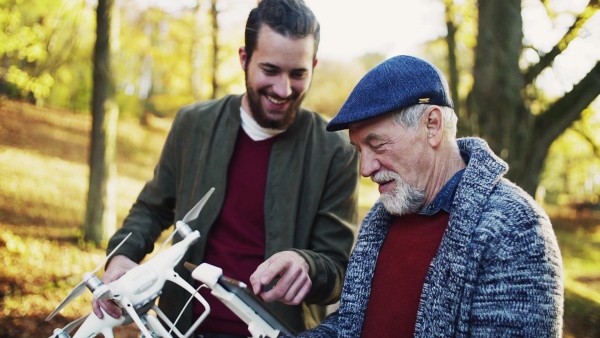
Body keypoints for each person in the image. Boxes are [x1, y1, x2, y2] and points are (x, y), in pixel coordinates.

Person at [92, 0, 360, 336]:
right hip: (178, 326)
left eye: (298, 74)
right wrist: (122, 255)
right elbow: (152, 208)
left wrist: (309, 266)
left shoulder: (336, 151)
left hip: (280, 330)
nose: (283, 89)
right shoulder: (193, 124)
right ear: (244, 59)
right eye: (271, 70)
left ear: (313, 66)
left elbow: (337, 269)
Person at [286, 55, 564, 337]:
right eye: (360, 150)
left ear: (432, 125)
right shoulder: (380, 219)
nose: (365, 169)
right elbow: (351, 327)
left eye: (377, 145)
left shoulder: (516, 226)